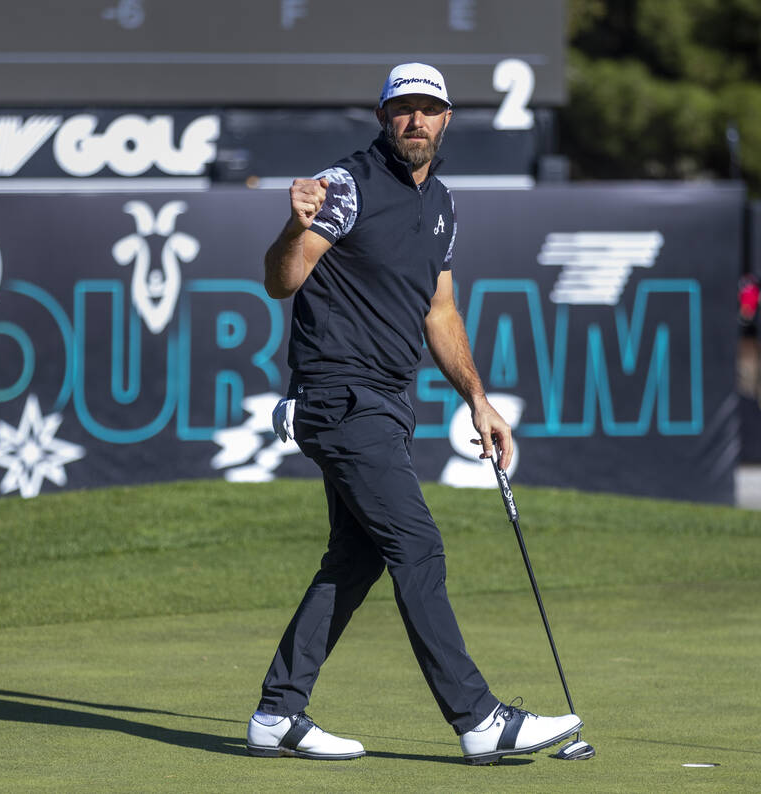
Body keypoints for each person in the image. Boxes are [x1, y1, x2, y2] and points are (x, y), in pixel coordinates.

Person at [247, 63, 582, 765]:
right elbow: (283, 280)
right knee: (418, 547)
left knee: (357, 556)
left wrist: (477, 398)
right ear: (383, 117)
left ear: (447, 119)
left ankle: (278, 713)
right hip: (341, 397)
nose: (416, 121)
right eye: (403, 109)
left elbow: (441, 311)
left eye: (429, 109)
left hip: (385, 402)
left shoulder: (444, 205)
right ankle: (478, 717)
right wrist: (291, 225)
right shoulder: (345, 187)